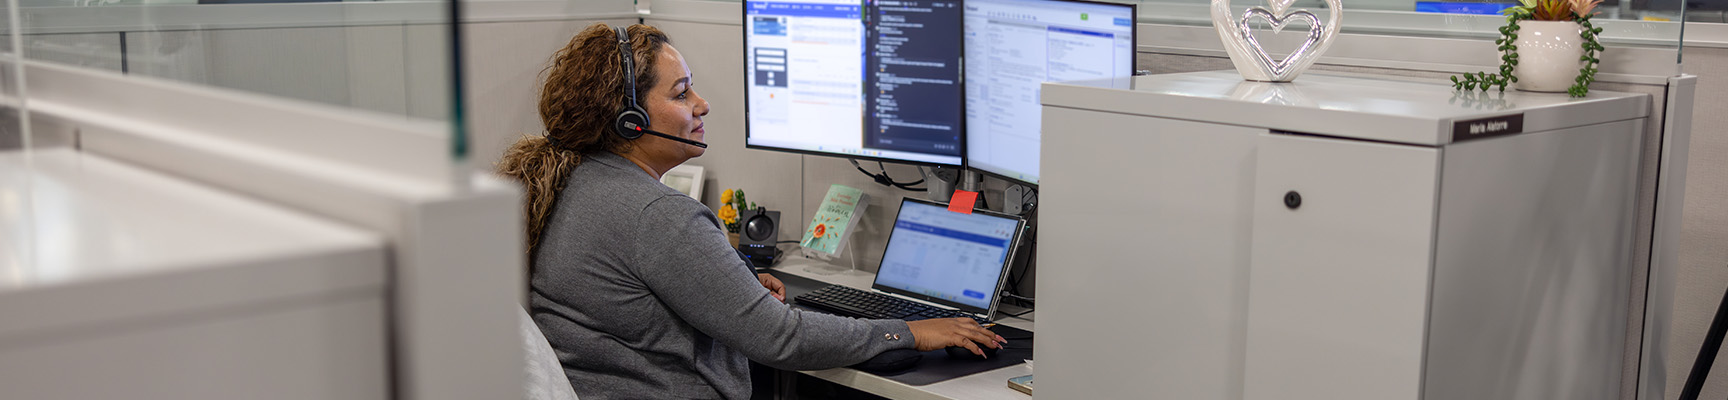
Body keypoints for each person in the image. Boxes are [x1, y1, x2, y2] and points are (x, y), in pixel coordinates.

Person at [496, 23, 1004, 400]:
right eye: (680, 92)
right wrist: (908, 330)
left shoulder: (565, 182)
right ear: (629, 120)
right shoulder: (659, 215)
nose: (702, 104)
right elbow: (781, 338)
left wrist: (728, 285)